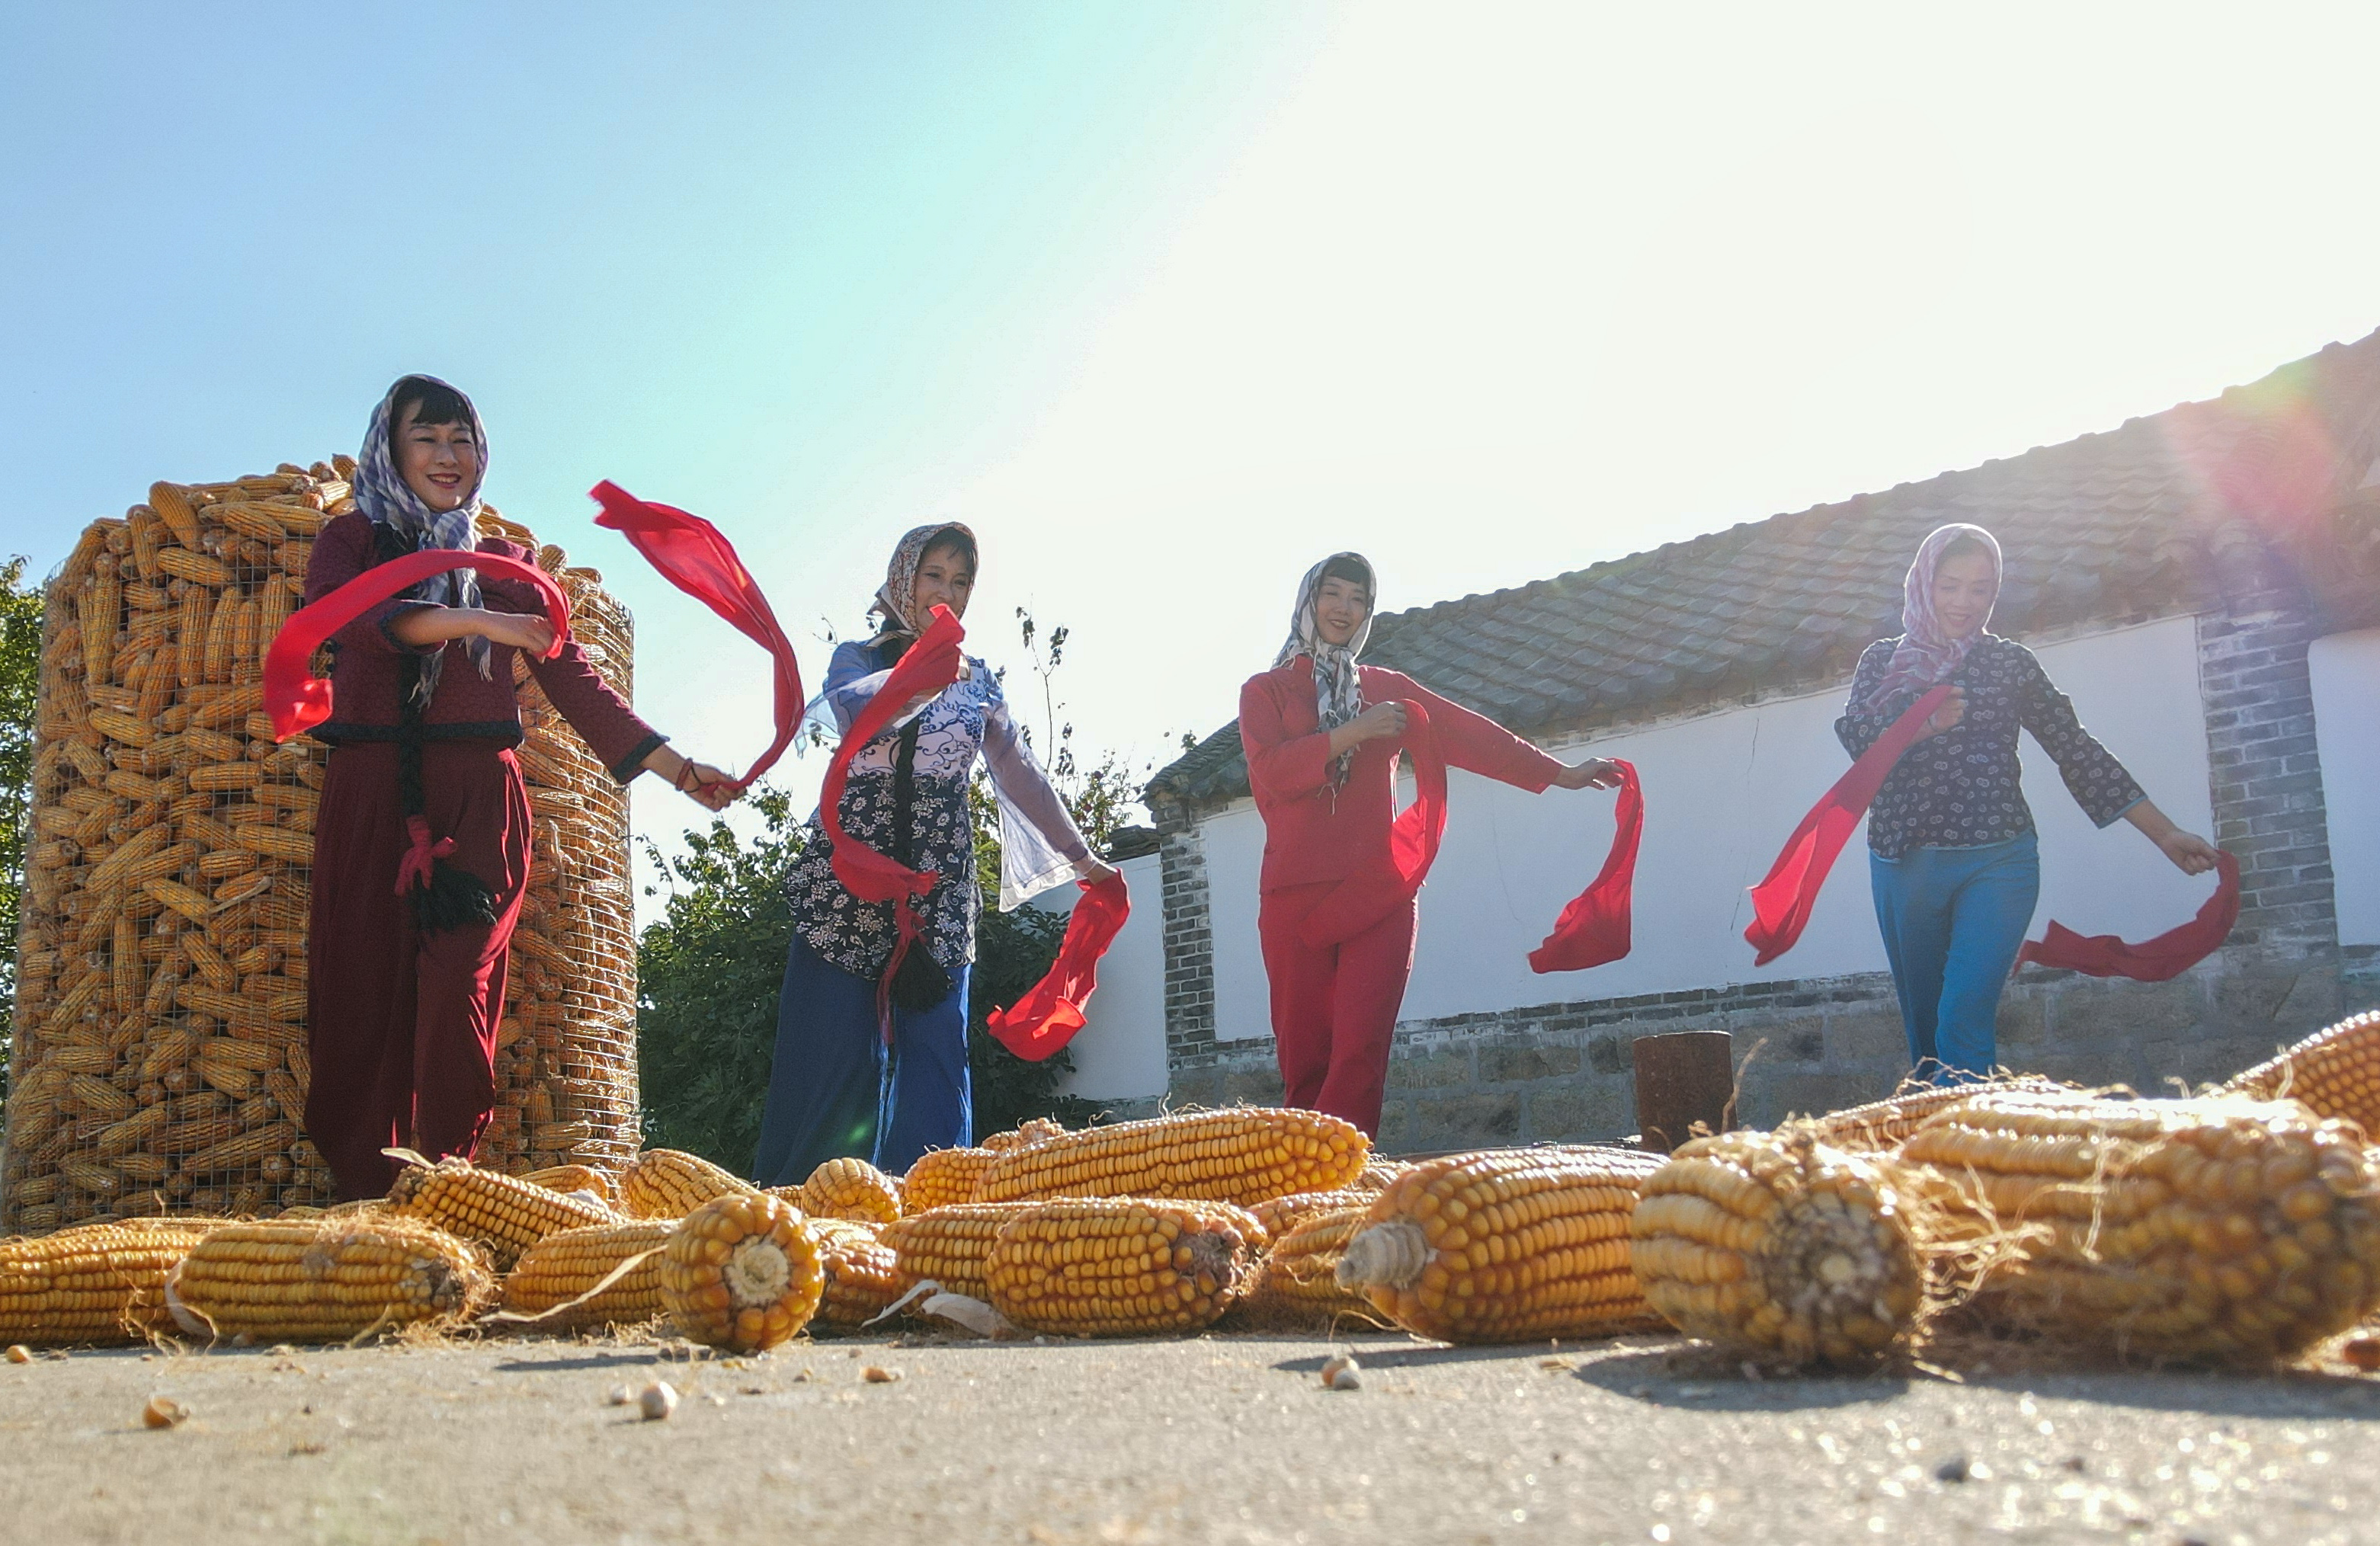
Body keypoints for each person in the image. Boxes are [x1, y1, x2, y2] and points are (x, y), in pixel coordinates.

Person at [303, 374, 736, 1200]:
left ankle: (447, 1181)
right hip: (370, 790)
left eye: (462, 440)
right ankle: (362, 1195)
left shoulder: (506, 565)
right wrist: (477, 622)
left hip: (477, 803)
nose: (448, 456)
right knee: (360, 991)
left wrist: (678, 770)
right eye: (426, 438)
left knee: (460, 992)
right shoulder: (352, 542)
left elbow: (572, 676)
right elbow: (347, 620)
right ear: (390, 449)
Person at [751, 523, 1113, 1183]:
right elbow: (845, 715)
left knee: (938, 1050)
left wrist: (1084, 859)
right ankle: (813, 1204)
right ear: (903, 580)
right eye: (933, 575)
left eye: (961, 580)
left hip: (939, 879)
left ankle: (930, 1205)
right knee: (833, 1044)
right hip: (852, 871)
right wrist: (920, 674)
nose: (946, 591)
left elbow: (1021, 773)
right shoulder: (856, 659)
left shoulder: (980, 683)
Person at [1240, 553, 1623, 1138]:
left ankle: (1345, 1172)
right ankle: (1307, 1189)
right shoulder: (1264, 691)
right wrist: (1355, 731)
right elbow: (1271, 773)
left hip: (1379, 891)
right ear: (1308, 601)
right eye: (1333, 594)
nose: (1344, 609)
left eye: (1357, 599)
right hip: (1296, 897)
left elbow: (1469, 734)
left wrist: (1558, 772)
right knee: (1305, 1058)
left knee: (1361, 1049)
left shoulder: (1386, 688)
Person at [1836, 522, 2221, 1084]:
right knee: (1924, 1039)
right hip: (1902, 862)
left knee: (1961, 1020)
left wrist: (2164, 833)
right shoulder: (1881, 661)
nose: (1965, 602)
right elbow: (1856, 739)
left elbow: (2075, 748)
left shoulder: (2009, 663)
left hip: (1998, 861)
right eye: (1950, 585)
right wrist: (1918, 725)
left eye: (1980, 588)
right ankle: (1941, 1154)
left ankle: (1967, 1151)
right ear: (1923, 583)